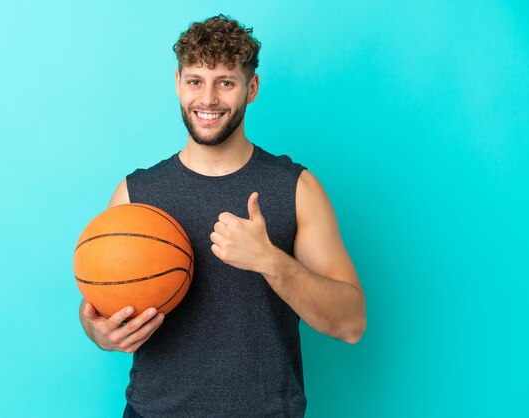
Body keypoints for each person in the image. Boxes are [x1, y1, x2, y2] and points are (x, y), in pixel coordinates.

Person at [79, 14, 366, 418]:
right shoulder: (135, 194)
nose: (208, 99)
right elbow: (98, 302)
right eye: (196, 81)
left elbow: (351, 323)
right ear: (178, 84)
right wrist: (97, 332)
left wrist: (269, 260)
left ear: (251, 88)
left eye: (225, 82)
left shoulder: (296, 188)